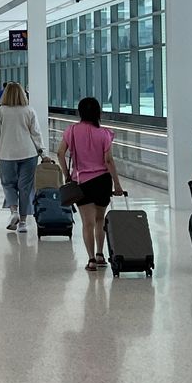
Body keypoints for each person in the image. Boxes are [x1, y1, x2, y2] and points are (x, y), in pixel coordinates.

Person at [58, 97, 121, 271]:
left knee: (87, 223)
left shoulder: (71, 131)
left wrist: (67, 175)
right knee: (100, 219)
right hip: (102, 181)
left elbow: (60, 153)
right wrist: (117, 184)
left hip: (81, 182)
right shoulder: (105, 133)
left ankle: (91, 259)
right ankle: (101, 254)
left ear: (80, 112)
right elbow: (108, 160)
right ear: (98, 113)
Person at [0, 82, 44, 233]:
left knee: (8, 184)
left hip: (7, 154)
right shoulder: (29, 110)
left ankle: (14, 212)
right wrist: (42, 153)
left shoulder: (0, 112)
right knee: (25, 188)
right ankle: (23, 223)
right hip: (29, 154)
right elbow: (36, 134)